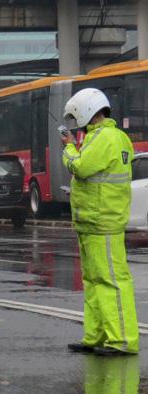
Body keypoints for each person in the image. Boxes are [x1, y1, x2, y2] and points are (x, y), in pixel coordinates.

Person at [61, 88, 139, 356]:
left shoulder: (104, 137)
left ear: (86, 111)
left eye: (76, 116)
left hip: (102, 222)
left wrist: (69, 147)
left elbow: (80, 167)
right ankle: (96, 336)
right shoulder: (114, 137)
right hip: (94, 222)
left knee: (110, 282)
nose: (76, 122)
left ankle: (121, 340)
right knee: (94, 281)